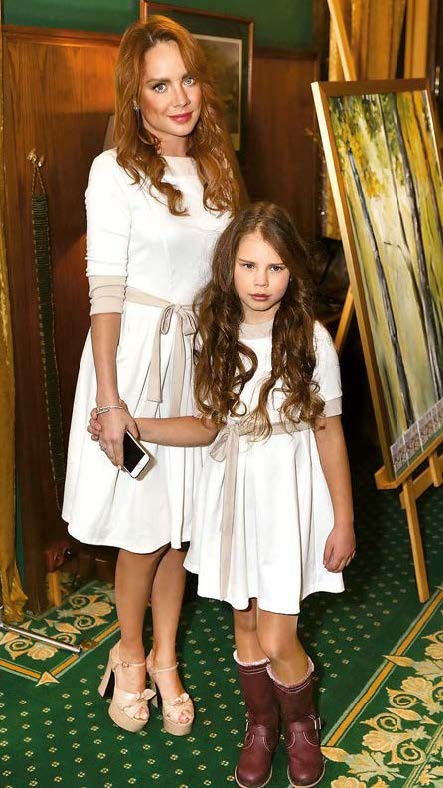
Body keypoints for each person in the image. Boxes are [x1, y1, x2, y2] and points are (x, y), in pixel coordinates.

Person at [89, 202, 356, 786]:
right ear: (229, 266)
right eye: (249, 265)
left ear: (293, 272)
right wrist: (137, 425)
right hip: (236, 499)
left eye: (276, 268)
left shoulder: (310, 339)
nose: (261, 281)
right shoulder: (217, 335)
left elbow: (328, 431)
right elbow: (209, 425)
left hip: (287, 499)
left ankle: (301, 725)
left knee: (278, 634)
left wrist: (344, 519)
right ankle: (260, 725)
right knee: (245, 625)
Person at [63, 16, 238, 735]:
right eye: (160, 86)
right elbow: (105, 291)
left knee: (179, 529)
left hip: (198, 361)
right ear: (134, 99)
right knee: (142, 529)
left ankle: (166, 657)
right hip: (135, 358)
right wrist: (110, 400)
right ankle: (130, 653)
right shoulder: (115, 172)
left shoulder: (219, 166)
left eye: (186, 79)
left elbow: (229, 278)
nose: (179, 97)